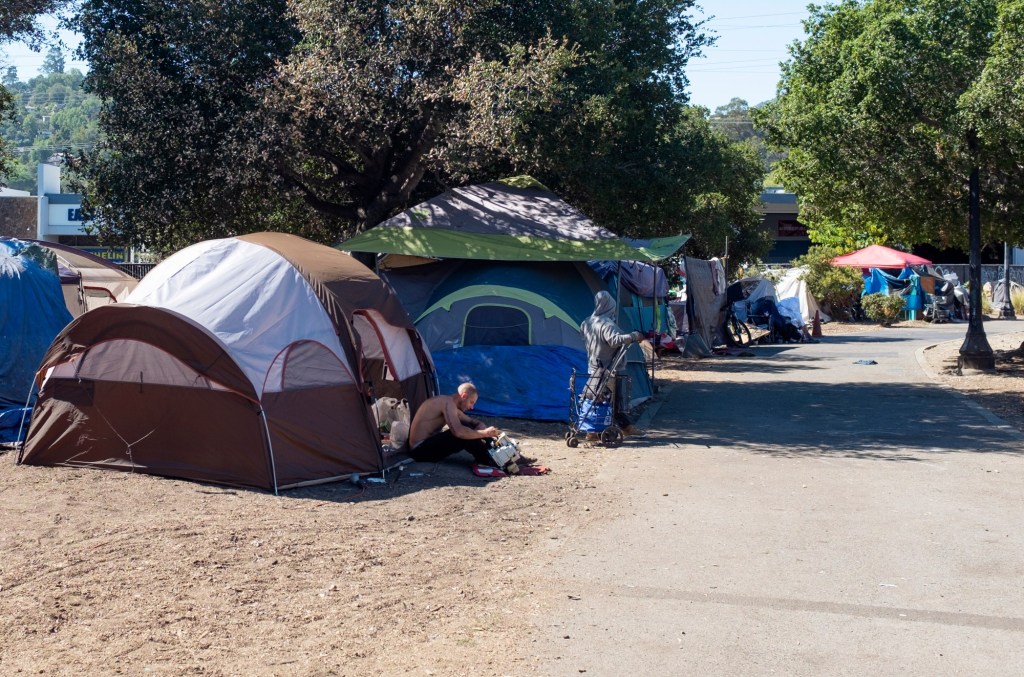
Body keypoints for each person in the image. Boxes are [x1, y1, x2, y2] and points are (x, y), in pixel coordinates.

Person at [580, 290, 646, 437]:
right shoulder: (606, 323)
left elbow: (584, 339)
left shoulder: (586, 322)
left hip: (594, 367)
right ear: (610, 305)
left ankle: (597, 430)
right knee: (611, 400)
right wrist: (634, 336)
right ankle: (620, 428)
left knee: (597, 397)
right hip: (609, 368)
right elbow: (614, 340)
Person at [408, 382, 500, 467]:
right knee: (463, 433)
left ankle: (498, 451)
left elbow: (472, 422)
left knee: (469, 428)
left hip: (426, 445)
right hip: (419, 451)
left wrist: (481, 427)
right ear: (464, 396)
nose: (472, 407)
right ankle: (491, 460)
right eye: (471, 402)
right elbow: (458, 432)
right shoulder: (446, 403)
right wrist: (485, 433)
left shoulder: (450, 404)